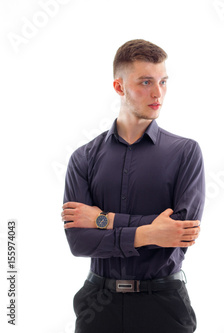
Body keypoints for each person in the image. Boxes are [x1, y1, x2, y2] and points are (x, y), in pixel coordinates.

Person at [61, 39, 205, 333]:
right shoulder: (83, 158)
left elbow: (180, 232)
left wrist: (104, 220)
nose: (158, 93)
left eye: (163, 81)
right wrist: (150, 232)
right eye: (146, 82)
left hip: (164, 304)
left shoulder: (186, 152)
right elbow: (79, 242)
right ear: (119, 87)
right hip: (98, 306)